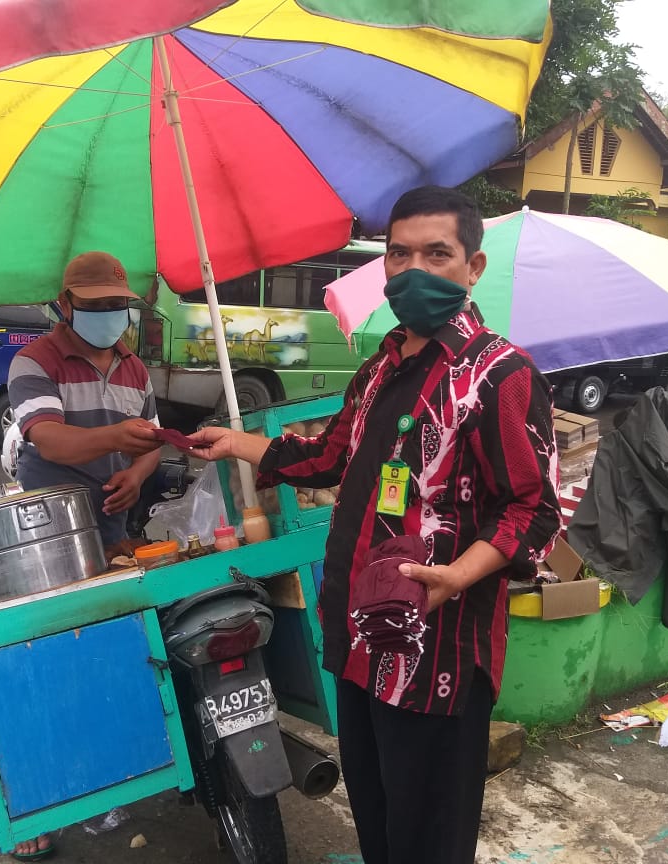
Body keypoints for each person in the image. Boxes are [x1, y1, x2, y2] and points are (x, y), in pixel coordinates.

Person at [188, 186, 561, 864]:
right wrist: (235, 442)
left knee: (429, 841)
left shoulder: (498, 376)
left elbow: (534, 509)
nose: (414, 270)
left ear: (473, 268)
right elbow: (330, 455)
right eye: (400, 254)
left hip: (436, 651)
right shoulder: (381, 366)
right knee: (381, 827)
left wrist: (459, 575)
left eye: (436, 254)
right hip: (363, 640)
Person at [4, 251, 162, 860]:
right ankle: (45, 796)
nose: (106, 316)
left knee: (114, 646)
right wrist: (112, 441)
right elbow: (50, 437)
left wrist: (138, 471)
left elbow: (148, 440)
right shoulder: (34, 361)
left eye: (115, 307)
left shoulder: (135, 368)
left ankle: (106, 778)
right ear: (64, 306)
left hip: (114, 524)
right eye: (92, 307)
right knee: (49, 651)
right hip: (49, 532)